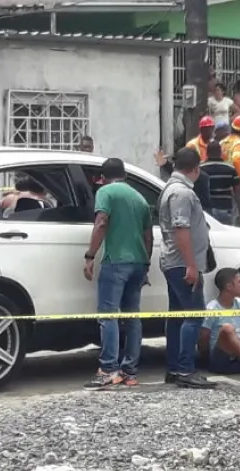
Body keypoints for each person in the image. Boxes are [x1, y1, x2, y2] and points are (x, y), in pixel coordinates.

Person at [82, 158, 153, 390]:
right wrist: (146, 264)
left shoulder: (106, 192)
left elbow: (102, 221)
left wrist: (90, 255)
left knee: (108, 315)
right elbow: (148, 236)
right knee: (132, 317)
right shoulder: (139, 197)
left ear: (103, 177)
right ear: (124, 174)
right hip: (139, 262)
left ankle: (108, 369)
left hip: (116, 262)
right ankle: (130, 372)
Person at [158, 147, 216, 389]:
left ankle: (175, 367)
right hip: (182, 264)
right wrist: (191, 265)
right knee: (193, 315)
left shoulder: (171, 189)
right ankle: (184, 369)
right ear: (195, 169)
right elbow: (181, 229)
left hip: (175, 262)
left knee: (177, 316)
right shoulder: (181, 193)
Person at [201, 142, 240, 226]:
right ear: (220, 152)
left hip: (207, 212)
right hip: (225, 209)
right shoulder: (230, 169)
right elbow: (238, 192)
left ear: (207, 153)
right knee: (225, 234)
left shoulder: (200, 169)